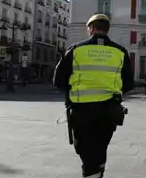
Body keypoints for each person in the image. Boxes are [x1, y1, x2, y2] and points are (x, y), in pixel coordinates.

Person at [53, 14, 134, 177]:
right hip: (110, 109)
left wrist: (73, 89)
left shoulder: (76, 50)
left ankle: (94, 173)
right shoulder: (120, 51)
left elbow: (58, 80)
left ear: (90, 29)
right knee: (100, 145)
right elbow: (129, 83)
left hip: (81, 110)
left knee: (84, 149)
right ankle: (98, 170)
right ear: (107, 29)